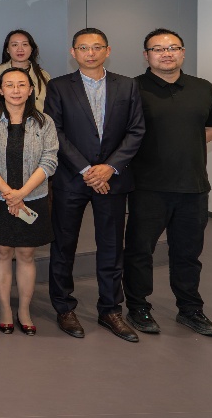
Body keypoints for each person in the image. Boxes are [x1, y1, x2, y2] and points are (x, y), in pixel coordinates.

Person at [124, 29, 212, 337]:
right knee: (140, 251)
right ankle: (138, 307)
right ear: (146, 55)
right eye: (158, 49)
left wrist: (182, 145)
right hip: (147, 187)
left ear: (182, 52)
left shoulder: (203, 88)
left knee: (188, 253)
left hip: (193, 187)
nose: (166, 53)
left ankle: (190, 309)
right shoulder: (132, 89)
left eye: (173, 47)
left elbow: (211, 129)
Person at [43, 28, 143, 342]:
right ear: (73, 52)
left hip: (112, 180)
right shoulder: (59, 86)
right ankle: (64, 307)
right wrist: (87, 170)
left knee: (112, 246)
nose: (90, 53)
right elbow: (55, 131)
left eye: (97, 47)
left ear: (107, 51)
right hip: (72, 179)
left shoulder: (127, 85)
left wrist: (109, 168)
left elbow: (136, 130)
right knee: (64, 245)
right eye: (83, 48)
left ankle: (110, 309)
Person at [0, 68, 59, 336]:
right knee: (2, 251)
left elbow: (50, 160)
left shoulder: (44, 122)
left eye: (21, 85)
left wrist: (21, 193)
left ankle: (24, 310)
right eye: (10, 85)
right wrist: (9, 193)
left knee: (26, 253)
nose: (16, 90)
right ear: (0, 90)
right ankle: (4, 308)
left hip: (32, 197)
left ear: (30, 90)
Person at [0, 30, 51, 112]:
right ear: (7, 49)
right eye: (15, 45)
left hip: (37, 119)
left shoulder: (44, 75)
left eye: (25, 44)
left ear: (31, 48)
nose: (20, 49)